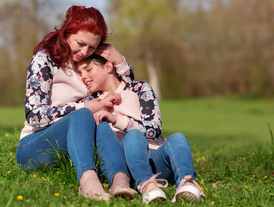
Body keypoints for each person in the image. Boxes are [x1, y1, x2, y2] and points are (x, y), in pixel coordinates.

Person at [16, 5, 137, 201]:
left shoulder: (87, 64)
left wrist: (119, 60)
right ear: (66, 33)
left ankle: (120, 180)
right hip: (34, 146)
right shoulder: (45, 60)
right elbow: (34, 116)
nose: (84, 51)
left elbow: (127, 86)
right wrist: (85, 107)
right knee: (84, 114)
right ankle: (88, 181)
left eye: (92, 47)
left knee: (101, 121)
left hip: (76, 144)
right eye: (80, 43)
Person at [76, 54, 205, 204]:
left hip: (156, 157)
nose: (83, 76)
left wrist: (116, 119)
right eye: (79, 73)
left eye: (88, 69)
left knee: (178, 138)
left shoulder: (139, 89)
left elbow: (154, 129)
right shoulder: (89, 102)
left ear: (108, 67)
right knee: (134, 136)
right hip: (127, 160)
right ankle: (147, 186)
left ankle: (187, 183)